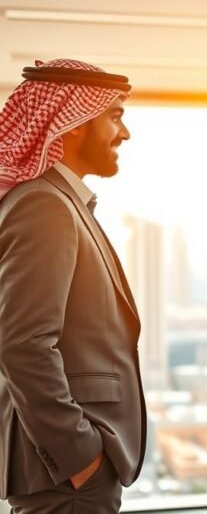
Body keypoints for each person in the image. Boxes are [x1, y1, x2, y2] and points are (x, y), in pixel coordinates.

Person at [0, 59, 147, 513]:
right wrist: (79, 456)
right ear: (75, 122)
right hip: (69, 477)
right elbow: (22, 343)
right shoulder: (45, 205)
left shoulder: (62, 203)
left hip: (70, 475)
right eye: (115, 116)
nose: (124, 133)